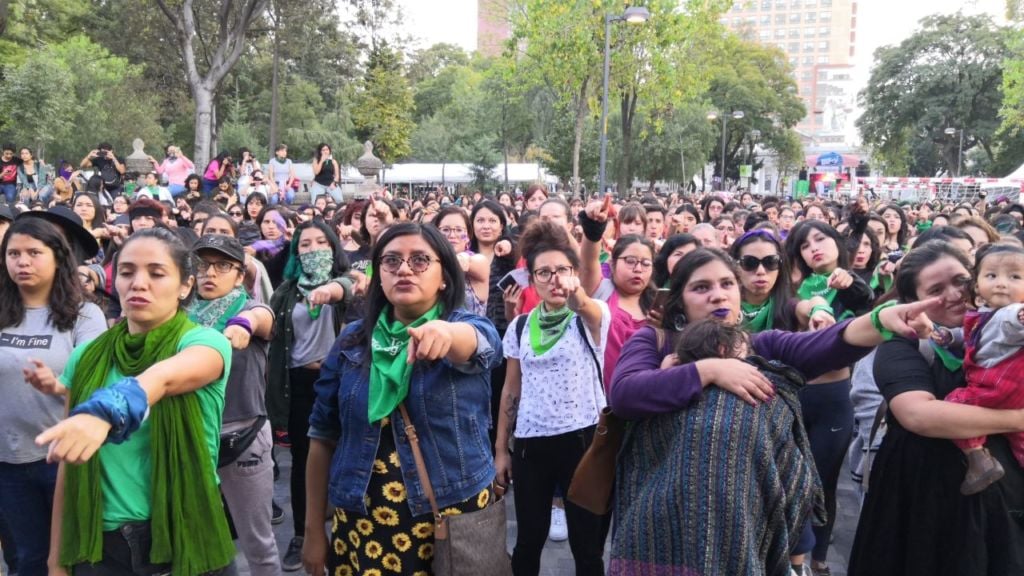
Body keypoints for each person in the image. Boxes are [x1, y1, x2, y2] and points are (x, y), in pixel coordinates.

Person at [608, 248, 943, 575]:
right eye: (701, 287)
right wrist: (708, 371)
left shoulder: (761, 346)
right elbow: (625, 394)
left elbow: (828, 343)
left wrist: (881, 319)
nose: (718, 296)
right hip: (659, 524)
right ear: (679, 300)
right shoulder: (655, 341)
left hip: (746, 529)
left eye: (727, 284)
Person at [301, 222, 503, 576]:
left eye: (420, 260)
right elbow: (322, 436)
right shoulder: (352, 340)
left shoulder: (466, 326)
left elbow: (482, 346)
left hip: (453, 517)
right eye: (391, 261)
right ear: (378, 274)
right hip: (365, 521)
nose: (404, 269)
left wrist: (445, 332)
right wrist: (313, 530)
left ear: (444, 276)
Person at [39, 227, 236, 575]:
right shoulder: (87, 357)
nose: (138, 283)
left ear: (185, 285)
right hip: (99, 545)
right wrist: (57, 559)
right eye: (127, 272)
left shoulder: (205, 343)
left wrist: (107, 409)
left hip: (183, 533)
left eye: (157, 273)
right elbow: (70, 464)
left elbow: (161, 378)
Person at [849, 241, 1024, 576]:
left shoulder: (1003, 328)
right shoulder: (902, 342)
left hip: (1004, 498)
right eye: (936, 289)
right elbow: (919, 415)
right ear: (915, 301)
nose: (955, 294)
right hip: (924, 495)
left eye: (960, 281)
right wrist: (1017, 418)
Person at [496, 221, 610, 576]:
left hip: (583, 442)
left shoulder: (591, 317)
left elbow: (586, 307)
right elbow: (511, 388)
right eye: (544, 272)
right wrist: (502, 448)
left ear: (575, 273)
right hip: (531, 444)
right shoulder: (519, 326)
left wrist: (576, 293)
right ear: (531, 279)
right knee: (528, 540)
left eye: (562, 269)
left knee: (587, 547)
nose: (554, 279)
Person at [0, 218, 107, 576]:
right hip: (7, 462)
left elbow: (96, 382)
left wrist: (60, 384)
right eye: (13, 253)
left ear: (58, 258)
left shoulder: (84, 315)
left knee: (70, 559)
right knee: (26, 558)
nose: (22, 262)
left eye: (34, 252)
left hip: (64, 460)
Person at [187, 234, 280, 575]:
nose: (210, 273)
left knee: (258, 542)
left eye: (223, 265)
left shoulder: (247, 308)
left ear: (240, 275)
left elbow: (263, 317)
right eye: (203, 264)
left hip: (243, 438)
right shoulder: (180, 315)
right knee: (202, 539)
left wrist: (242, 325)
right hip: (193, 437)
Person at [266, 220, 353, 571]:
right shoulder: (285, 293)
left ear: (333, 246)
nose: (313, 249)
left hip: (343, 380)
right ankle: (304, 532)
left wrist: (332, 290)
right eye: (305, 244)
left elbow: (349, 286)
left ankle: (347, 528)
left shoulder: (349, 283)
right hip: (300, 384)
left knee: (348, 454)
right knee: (304, 461)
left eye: (321, 242)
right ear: (295, 251)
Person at [941, 244, 1024, 494]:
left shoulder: (1011, 314)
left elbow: (1012, 321)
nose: (1001, 283)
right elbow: (974, 336)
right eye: (992, 275)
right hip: (1011, 388)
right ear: (976, 285)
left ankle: (978, 458)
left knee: (955, 405)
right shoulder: (985, 313)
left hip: (999, 386)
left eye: (1015, 277)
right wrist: (950, 337)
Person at [433, 206, 489, 316]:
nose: (452, 235)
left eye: (459, 230)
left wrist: (462, 258)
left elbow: (470, 262)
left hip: (471, 331)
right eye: (445, 230)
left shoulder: (478, 260)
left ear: (468, 235)